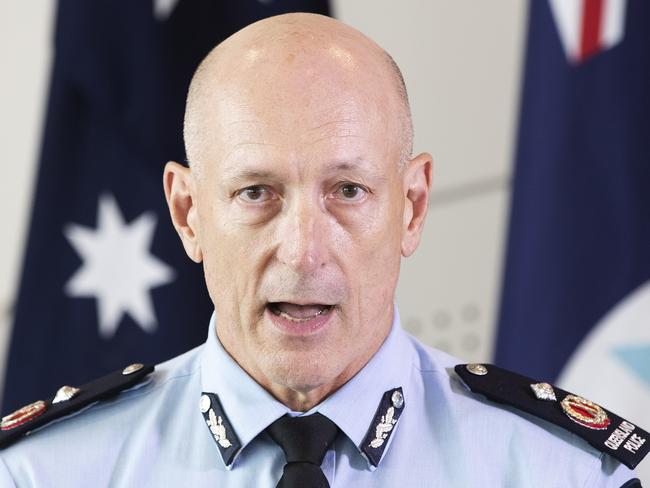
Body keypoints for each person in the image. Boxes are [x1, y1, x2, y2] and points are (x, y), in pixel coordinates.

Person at [0, 13, 647, 487]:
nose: (305, 251)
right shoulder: (40, 474)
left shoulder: (570, 474)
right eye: (256, 192)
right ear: (188, 213)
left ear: (412, 207)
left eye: (347, 190)